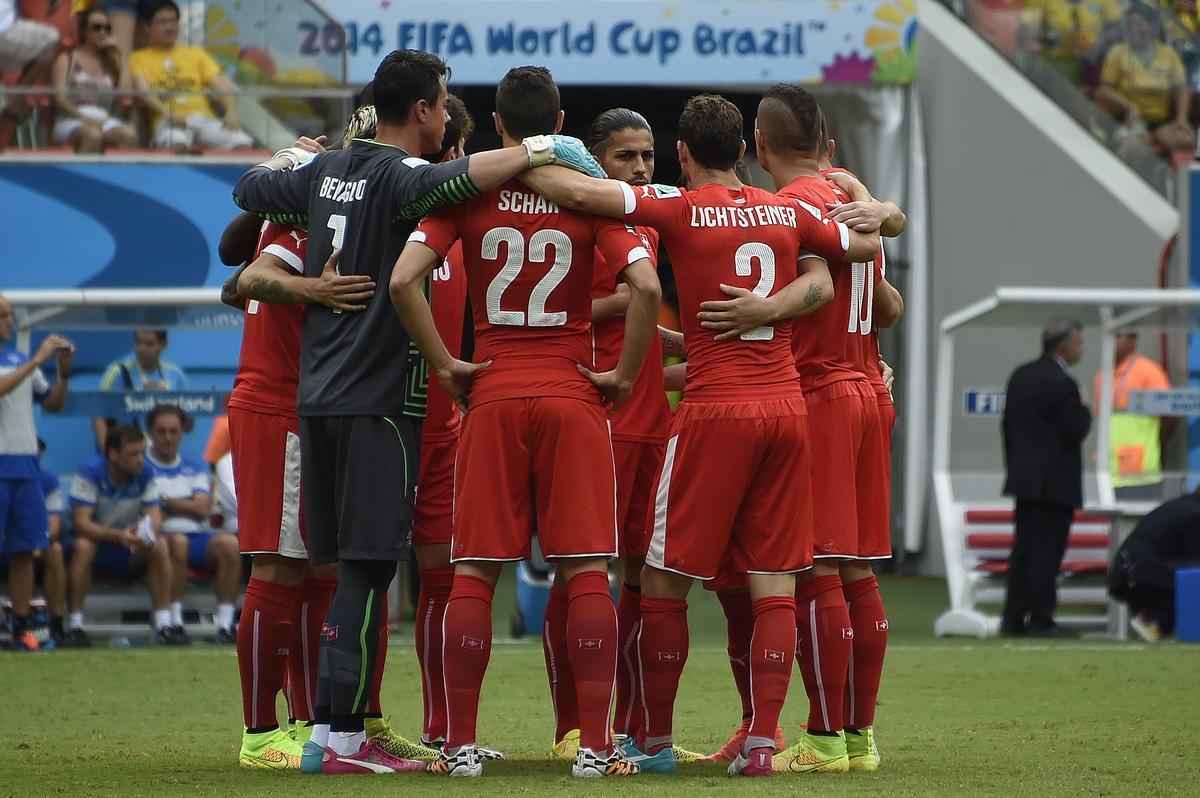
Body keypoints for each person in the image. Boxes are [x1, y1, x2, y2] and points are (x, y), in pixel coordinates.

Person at [232, 47, 608, 775]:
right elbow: (468, 176)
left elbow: (250, 191)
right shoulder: (401, 176)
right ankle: (342, 738)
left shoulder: (326, 169)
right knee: (368, 571)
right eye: (440, 100)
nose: (444, 111)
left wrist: (287, 158)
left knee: (344, 570)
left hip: (318, 399)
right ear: (425, 111)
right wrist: (546, 146)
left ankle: (330, 732)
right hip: (377, 400)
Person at [518, 92, 881, 777]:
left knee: (662, 581)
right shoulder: (790, 211)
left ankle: (652, 742)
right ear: (743, 150)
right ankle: (764, 744)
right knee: (777, 581)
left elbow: (574, 191)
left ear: (681, 154)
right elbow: (853, 254)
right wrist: (872, 206)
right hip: (786, 411)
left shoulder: (673, 206)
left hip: (715, 412)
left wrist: (521, 156)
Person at [391, 65, 660, 779]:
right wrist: (625, 376)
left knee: (474, 572)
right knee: (585, 573)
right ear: (562, 123)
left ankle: (459, 746)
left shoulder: (466, 197)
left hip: (496, 391)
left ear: (497, 126)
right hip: (573, 391)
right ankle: (597, 748)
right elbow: (647, 286)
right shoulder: (589, 200)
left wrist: (447, 363)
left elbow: (401, 281)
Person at [692, 89, 905, 774]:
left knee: (812, 570)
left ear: (756, 142)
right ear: (830, 144)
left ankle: (821, 736)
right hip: (868, 388)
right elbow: (889, 305)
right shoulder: (849, 196)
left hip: (817, 393)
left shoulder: (796, 205)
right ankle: (856, 738)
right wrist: (888, 212)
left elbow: (822, 293)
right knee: (857, 569)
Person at [539, 107, 686, 763]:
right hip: (600, 410)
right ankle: (571, 725)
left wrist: (688, 342)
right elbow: (557, 309)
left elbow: (644, 317)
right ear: (595, 158)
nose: (641, 168)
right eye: (627, 157)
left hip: (652, 417)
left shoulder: (643, 217)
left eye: (648, 156)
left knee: (640, 574)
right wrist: (631, 301)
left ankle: (628, 723)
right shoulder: (581, 217)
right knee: (582, 570)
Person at [406, 93, 479, 754]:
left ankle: (437, 728)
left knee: (441, 579)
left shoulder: (460, 224)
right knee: (356, 573)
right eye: (453, 154)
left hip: (442, 425)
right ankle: (352, 723)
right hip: (384, 423)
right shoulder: (395, 212)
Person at [1001, 319, 1092, 638]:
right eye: (1079, 343)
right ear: (1063, 346)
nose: (1081, 349)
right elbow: (1075, 428)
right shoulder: (1063, 383)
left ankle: (1013, 617)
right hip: (1055, 485)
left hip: (1025, 482)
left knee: (1024, 550)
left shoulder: (1020, 376)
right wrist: (1087, 410)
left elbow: (1008, 429)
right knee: (1047, 554)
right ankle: (1041, 618)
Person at [0, 296, 73, 652]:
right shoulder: (25, 363)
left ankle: (20, 626)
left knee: (25, 551)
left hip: (26, 467)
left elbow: (53, 403)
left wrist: (62, 371)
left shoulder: (20, 361)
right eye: (3, 316)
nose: (9, 323)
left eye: (10, 316)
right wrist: (38, 360)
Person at [67, 424, 176, 646]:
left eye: (142, 453)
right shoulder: (90, 472)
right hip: (97, 547)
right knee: (83, 546)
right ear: (113, 454)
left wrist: (145, 532)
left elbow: (155, 517)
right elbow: (81, 523)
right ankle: (75, 626)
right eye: (133, 454)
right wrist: (119, 536)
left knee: (160, 544)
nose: (140, 460)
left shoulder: (145, 473)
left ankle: (165, 625)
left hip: (128, 547)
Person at [145, 404, 240, 643]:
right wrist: (187, 503)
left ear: (182, 433)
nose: (168, 437)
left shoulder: (193, 465)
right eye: (162, 431)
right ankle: (172, 622)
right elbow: (149, 508)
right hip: (160, 538)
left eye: (174, 431)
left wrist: (166, 501)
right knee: (176, 542)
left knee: (230, 545)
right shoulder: (143, 467)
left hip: (196, 534)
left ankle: (226, 625)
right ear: (151, 433)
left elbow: (203, 508)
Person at [129, 0, 253, 151]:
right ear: (148, 27)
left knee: (242, 143)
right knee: (176, 143)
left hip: (203, 119)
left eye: (174, 21)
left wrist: (231, 112)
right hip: (169, 120)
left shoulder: (195, 53)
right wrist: (167, 113)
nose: (170, 27)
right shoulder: (138, 58)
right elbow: (144, 92)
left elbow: (222, 85)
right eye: (162, 22)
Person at [1098, 3, 1194, 156]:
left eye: (1137, 23)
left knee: (1188, 139)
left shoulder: (1168, 54)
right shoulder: (1118, 52)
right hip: (1129, 120)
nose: (1133, 28)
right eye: (1130, 24)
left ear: (1150, 26)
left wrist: (1181, 119)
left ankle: (1151, 139)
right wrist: (1128, 106)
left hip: (1162, 124)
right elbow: (1103, 90)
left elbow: (1181, 88)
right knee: (1131, 146)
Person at [1108, 487, 1200, 640]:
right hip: (1141, 578)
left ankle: (1154, 622)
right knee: (1192, 579)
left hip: (1126, 576)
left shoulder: (1181, 506)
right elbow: (1194, 571)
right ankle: (1154, 620)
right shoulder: (1195, 515)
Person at [1092, 329, 1171, 499]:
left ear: (1132, 340)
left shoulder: (1149, 371)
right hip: (1109, 472)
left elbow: (1169, 416)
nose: (1113, 340)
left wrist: (1157, 445)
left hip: (1141, 472)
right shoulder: (1102, 375)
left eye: (1118, 335)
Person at [51, 6, 137, 152]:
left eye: (107, 28)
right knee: (92, 135)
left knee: (129, 135)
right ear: (84, 31)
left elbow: (124, 93)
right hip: (71, 118)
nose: (103, 32)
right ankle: (82, 174)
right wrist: (83, 117)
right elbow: (59, 99)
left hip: (102, 118)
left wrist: (120, 55)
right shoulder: (67, 59)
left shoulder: (110, 63)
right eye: (97, 28)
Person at [93, 328, 188, 450]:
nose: (141, 349)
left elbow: (188, 424)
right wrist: (108, 454)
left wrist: (167, 400)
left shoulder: (176, 375)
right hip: (126, 454)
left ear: (163, 345)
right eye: (138, 343)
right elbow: (98, 417)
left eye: (149, 344)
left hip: (162, 454)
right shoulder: (117, 372)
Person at [36, 438, 68, 647]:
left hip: (32, 544)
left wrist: (35, 543)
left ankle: (56, 624)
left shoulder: (48, 481)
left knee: (55, 549)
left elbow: (54, 526)